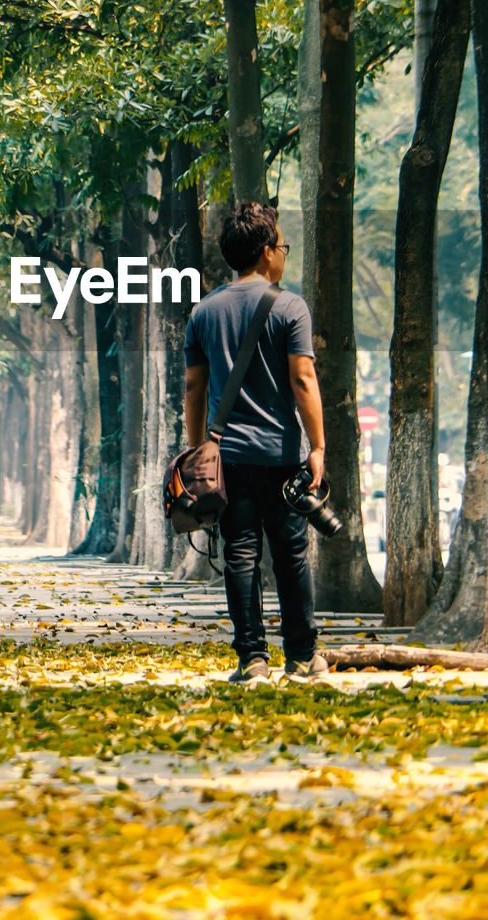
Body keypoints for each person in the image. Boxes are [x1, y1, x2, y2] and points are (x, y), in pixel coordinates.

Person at [183, 201, 328, 683]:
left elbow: (194, 389)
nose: (283, 254)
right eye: (281, 246)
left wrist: (198, 452)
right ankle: (303, 658)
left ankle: (252, 660)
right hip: (283, 455)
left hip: (230, 458)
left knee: (240, 554)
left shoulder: (203, 312)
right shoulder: (289, 306)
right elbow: (303, 379)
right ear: (267, 253)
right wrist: (318, 446)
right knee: (291, 554)